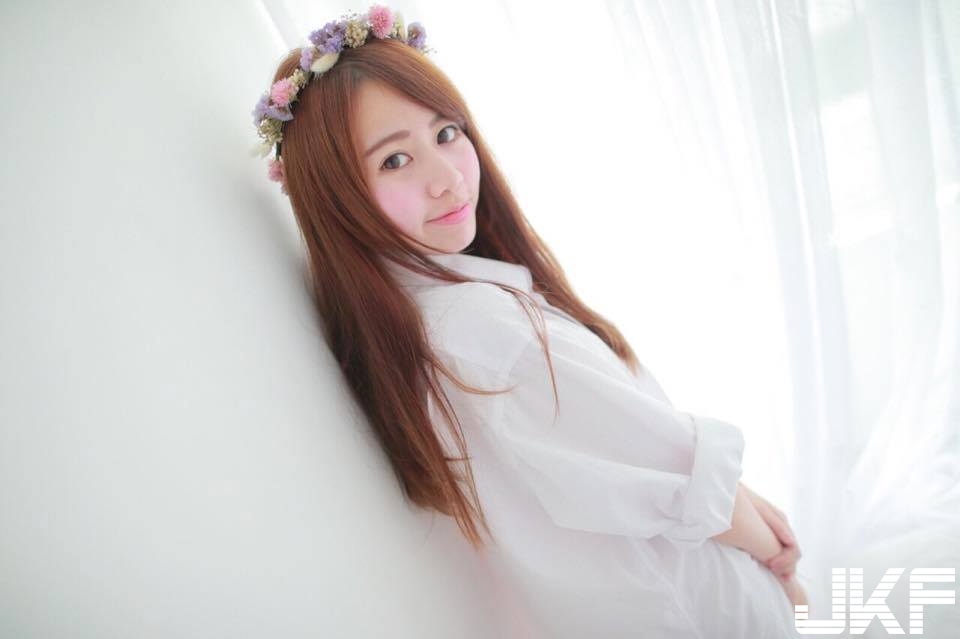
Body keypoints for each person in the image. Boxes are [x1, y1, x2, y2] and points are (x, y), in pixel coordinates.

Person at [251, 5, 808, 637]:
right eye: (394, 161)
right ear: (337, 199)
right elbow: (679, 476)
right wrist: (780, 563)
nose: (447, 178)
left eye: (445, 133)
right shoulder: (479, 328)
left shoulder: (424, 320)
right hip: (708, 604)